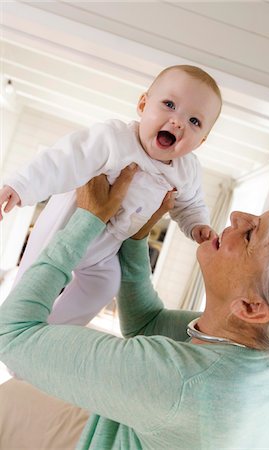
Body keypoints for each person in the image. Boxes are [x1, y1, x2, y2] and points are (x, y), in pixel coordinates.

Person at [0, 168, 269, 450]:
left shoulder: (183, 382)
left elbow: (11, 334)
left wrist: (88, 219)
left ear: (250, 306)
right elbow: (146, 323)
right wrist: (137, 232)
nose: (238, 216)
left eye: (249, 235)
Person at [0, 64, 221, 325]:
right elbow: (63, 160)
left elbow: (190, 204)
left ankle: (51, 331)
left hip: (108, 246)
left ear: (202, 141)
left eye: (194, 121)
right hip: (66, 226)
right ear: (142, 105)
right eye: (169, 104)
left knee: (103, 287)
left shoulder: (188, 171)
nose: (178, 122)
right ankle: (11, 323)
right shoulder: (114, 139)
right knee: (35, 275)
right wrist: (20, 185)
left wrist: (197, 225)